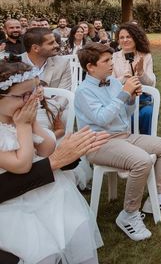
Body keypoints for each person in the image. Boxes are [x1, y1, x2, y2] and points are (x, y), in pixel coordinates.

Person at [0, 58, 103, 263]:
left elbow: (47, 149)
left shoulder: (20, 117)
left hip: (48, 193)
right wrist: (22, 128)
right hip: (13, 202)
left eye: (33, 93)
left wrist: (33, 126)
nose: (30, 100)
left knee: (77, 228)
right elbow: (22, 165)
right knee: (42, 251)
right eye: (23, 95)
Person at [75, 42, 161, 241]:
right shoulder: (83, 92)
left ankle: (156, 198)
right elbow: (102, 119)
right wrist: (124, 93)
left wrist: (131, 99)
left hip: (124, 136)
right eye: (106, 61)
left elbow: (124, 115)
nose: (111, 63)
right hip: (99, 143)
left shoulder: (113, 82)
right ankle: (129, 214)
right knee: (142, 161)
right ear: (90, 67)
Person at [20, 28, 72, 138]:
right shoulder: (15, 64)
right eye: (51, 43)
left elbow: (64, 95)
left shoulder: (63, 63)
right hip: (21, 112)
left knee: (65, 116)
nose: (57, 45)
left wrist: (49, 112)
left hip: (52, 112)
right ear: (35, 48)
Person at [112, 22, 156, 135]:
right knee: (127, 117)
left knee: (148, 113)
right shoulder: (114, 57)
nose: (125, 40)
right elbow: (110, 83)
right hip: (121, 99)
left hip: (142, 99)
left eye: (128, 36)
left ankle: (147, 143)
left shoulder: (145, 56)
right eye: (121, 37)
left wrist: (141, 72)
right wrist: (123, 79)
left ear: (135, 38)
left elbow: (150, 83)